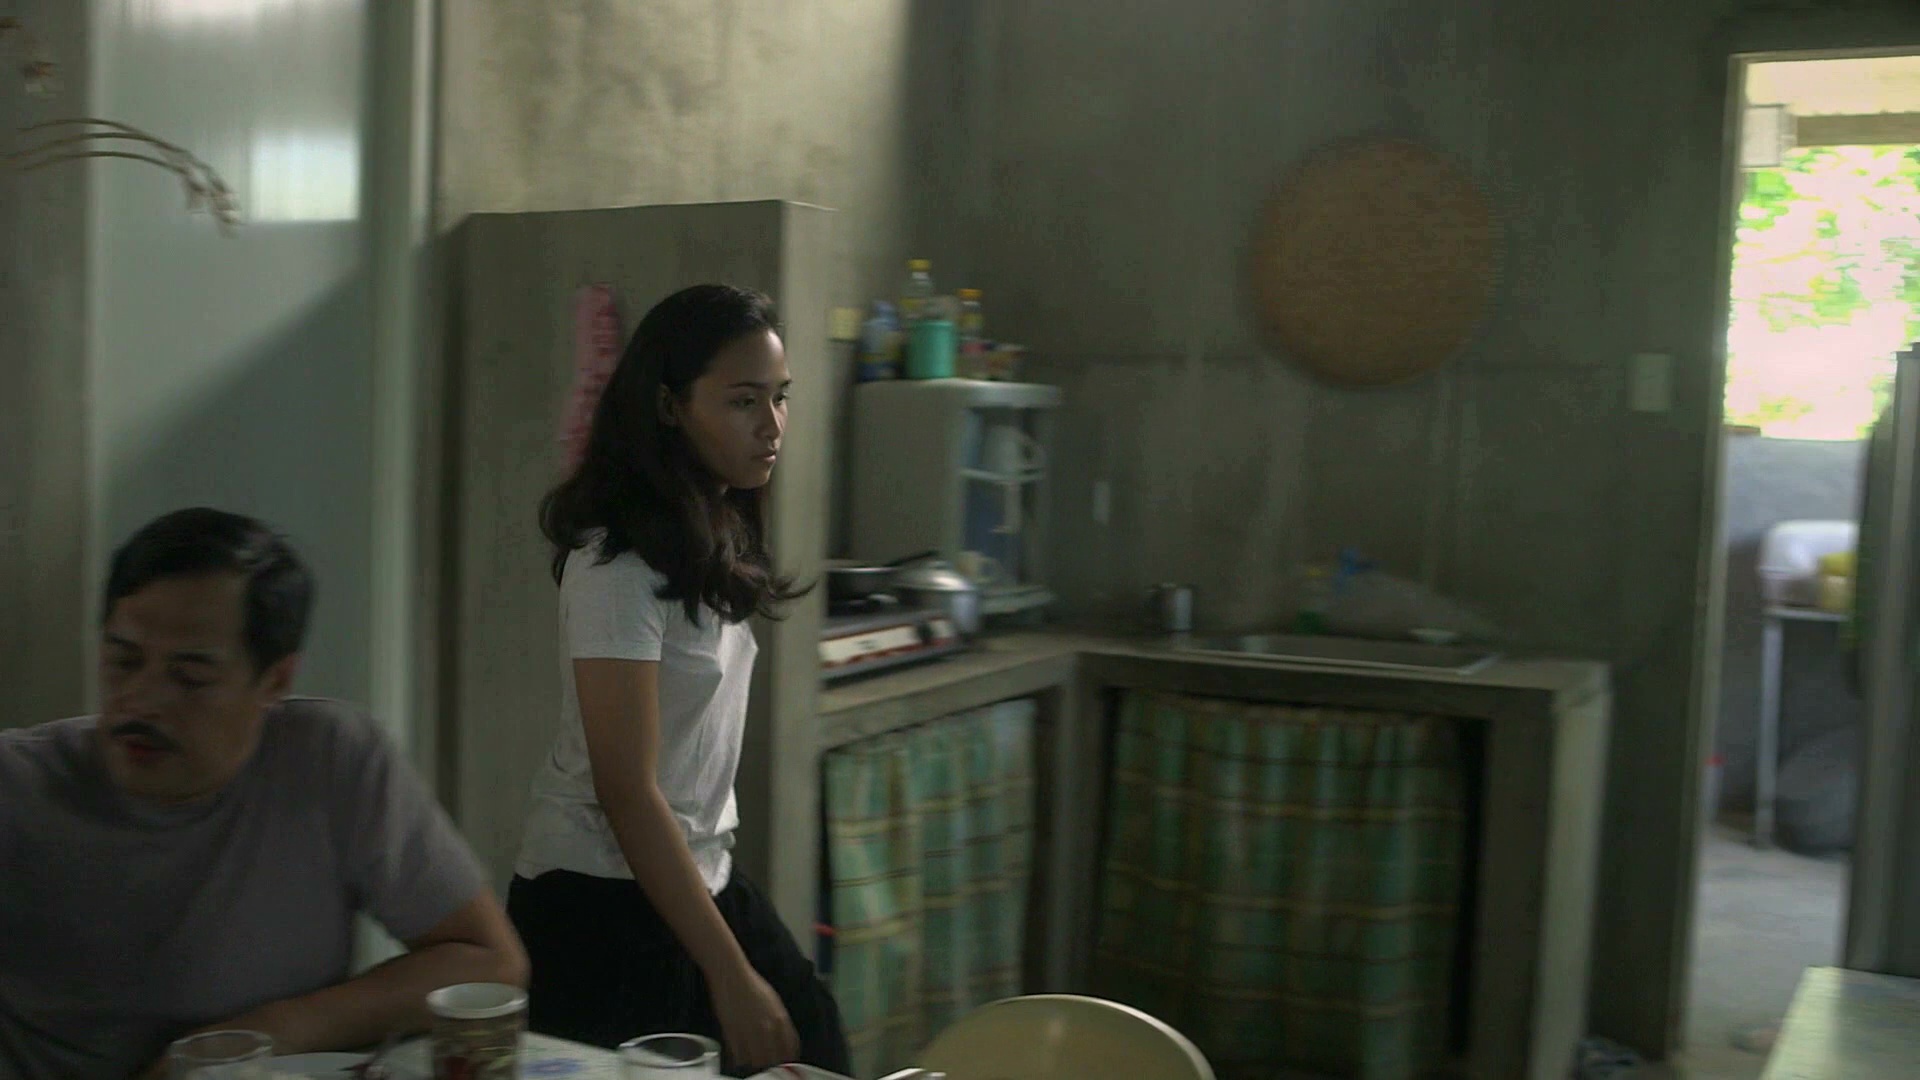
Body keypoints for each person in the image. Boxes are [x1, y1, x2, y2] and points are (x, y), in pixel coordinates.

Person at [0, 508, 528, 1079]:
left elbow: (489, 962)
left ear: (275, 680)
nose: (141, 700)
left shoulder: (328, 761)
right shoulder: (19, 786)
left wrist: (263, 1036)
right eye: (123, 661)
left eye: (190, 676)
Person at [508, 284, 850, 1075]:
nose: (772, 425)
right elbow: (626, 791)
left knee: (813, 1036)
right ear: (669, 406)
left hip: (699, 872)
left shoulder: (711, 532)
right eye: (743, 401)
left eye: (780, 398)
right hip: (599, 901)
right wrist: (728, 975)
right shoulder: (615, 566)